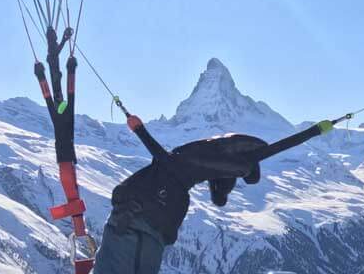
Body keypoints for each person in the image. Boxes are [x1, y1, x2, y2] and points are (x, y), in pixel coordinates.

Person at [95, 114, 330, 274]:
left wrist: (139, 129)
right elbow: (217, 195)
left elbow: (163, 158)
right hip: (147, 222)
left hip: (138, 218)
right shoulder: (205, 165)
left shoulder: (185, 161)